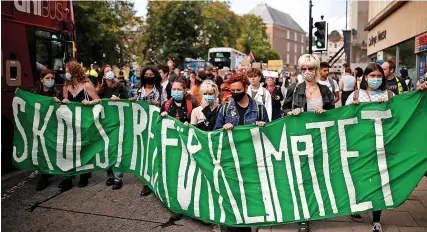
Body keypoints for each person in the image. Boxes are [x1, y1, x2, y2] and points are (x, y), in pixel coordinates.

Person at [282, 54, 335, 232]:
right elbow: (284, 110)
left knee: (318, 174)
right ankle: (303, 216)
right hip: (301, 139)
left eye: (310, 68)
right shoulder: (294, 89)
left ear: (317, 69)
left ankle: (317, 208)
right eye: (303, 68)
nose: (307, 72)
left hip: (321, 139)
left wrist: (325, 111)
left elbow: (334, 113)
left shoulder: (325, 90)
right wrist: (292, 112)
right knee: (302, 176)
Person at [214, 73, 269, 232]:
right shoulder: (225, 109)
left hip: (251, 161)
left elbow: (269, 134)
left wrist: (262, 126)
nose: (235, 93)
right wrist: (223, 130)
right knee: (231, 196)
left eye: (238, 90)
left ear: (246, 88)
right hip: (230, 159)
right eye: (232, 91)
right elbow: (215, 133)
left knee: (248, 197)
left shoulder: (259, 108)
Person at [345, 63, 394, 232]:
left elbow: (397, 117)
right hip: (361, 145)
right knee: (360, 178)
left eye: (378, 76)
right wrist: (353, 108)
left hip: (381, 145)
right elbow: (344, 119)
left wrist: (388, 106)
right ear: (365, 77)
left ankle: (376, 220)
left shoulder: (389, 95)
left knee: (379, 181)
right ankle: (356, 208)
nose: (375, 79)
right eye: (372, 76)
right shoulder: (355, 96)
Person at [60, 61, 101, 191]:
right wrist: (64, 101)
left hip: (84, 122)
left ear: (74, 71)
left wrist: (89, 102)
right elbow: (65, 103)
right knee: (70, 149)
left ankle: (84, 175)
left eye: (67, 70)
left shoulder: (86, 85)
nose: (65, 73)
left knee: (83, 148)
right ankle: (69, 177)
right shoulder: (66, 86)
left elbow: (98, 100)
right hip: (70, 122)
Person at [31, 69, 62, 191]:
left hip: (51, 128)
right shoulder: (34, 93)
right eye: (48, 78)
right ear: (41, 79)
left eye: (52, 78)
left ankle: (47, 175)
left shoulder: (56, 94)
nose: (50, 81)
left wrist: (59, 103)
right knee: (41, 151)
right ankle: (44, 176)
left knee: (50, 150)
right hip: (38, 126)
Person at [97, 70, 128, 190]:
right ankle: (110, 176)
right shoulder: (102, 88)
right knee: (106, 150)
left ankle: (118, 178)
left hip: (117, 122)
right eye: (106, 71)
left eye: (111, 71)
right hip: (104, 122)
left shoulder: (121, 87)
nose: (109, 73)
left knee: (116, 150)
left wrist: (119, 100)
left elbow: (129, 102)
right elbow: (96, 100)